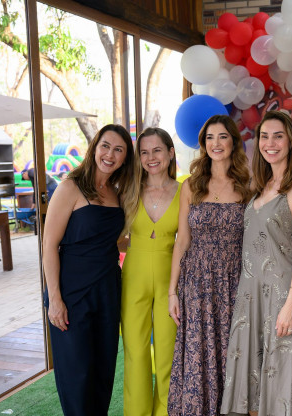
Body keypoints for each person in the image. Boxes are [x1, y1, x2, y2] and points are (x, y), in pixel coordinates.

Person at [220, 111, 292, 416]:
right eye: (264, 136)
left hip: (284, 296)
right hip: (251, 300)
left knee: (282, 387)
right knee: (252, 390)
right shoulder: (259, 187)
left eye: (278, 136)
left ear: (290, 142)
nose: (270, 143)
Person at [42, 124, 135, 415]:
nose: (110, 154)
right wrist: (55, 299)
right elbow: (49, 245)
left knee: (102, 372)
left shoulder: (117, 193)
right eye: (106, 146)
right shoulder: (70, 187)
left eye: (118, 150)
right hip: (72, 293)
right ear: (95, 147)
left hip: (107, 291)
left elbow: (112, 240)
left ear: (125, 158)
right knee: (77, 376)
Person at [167, 115, 251, 416]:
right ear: (203, 144)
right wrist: (172, 292)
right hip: (196, 283)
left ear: (233, 142)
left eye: (223, 136)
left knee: (230, 350)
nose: (216, 143)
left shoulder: (247, 186)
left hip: (234, 281)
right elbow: (182, 241)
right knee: (198, 351)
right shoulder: (191, 185)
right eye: (210, 137)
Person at [120, 127, 179, 415]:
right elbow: (113, 235)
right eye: (144, 152)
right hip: (134, 276)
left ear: (170, 152)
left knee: (168, 352)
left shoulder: (185, 190)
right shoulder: (128, 190)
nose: (150, 157)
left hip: (171, 279)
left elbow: (189, 239)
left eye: (157, 150)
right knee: (135, 353)